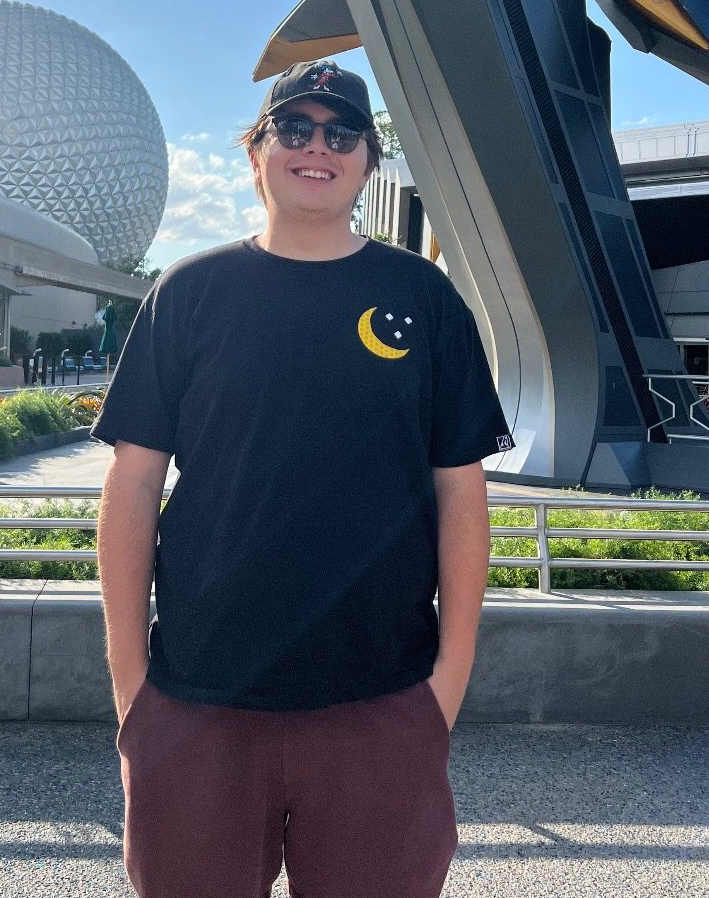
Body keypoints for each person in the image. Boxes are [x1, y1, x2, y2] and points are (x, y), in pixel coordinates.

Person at [92, 59, 512, 898]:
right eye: (293, 128)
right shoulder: (189, 293)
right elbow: (133, 486)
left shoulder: (422, 299)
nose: (316, 146)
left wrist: (445, 689)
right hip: (196, 703)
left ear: (366, 161)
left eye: (341, 132)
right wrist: (132, 691)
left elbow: (460, 492)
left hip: (382, 702)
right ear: (257, 153)